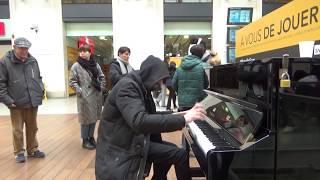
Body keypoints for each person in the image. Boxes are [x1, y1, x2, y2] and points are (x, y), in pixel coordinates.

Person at [95, 55, 206, 180]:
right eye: (160, 80)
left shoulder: (140, 86)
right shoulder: (127, 87)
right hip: (122, 147)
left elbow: (150, 116)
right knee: (178, 154)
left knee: (174, 151)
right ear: (152, 76)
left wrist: (184, 114)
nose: (161, 85)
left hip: (131, 139)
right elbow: (140, 121)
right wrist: (183, 120)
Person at [0, 37, 45, 163]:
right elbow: (1, 84)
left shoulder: (33, 60)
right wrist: (8, 100)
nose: (24, 51)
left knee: (33, 127)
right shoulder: (4, 62)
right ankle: (19, 152)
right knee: (18, 129)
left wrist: (40, 90)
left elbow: (38, 77)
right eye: (21, 48)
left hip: (32, 101)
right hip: (15, 103)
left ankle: (32, 149)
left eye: (26, 48)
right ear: (14, 47)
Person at [69, 44, 106, 150]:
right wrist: (80, 91)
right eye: (80, 51)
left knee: (93, 118)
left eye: (85, 51)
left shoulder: (95, 64)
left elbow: (101, 76)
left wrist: (101, 87)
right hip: (84, 96)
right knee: (85, 119)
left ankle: (91, 137)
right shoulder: (76, 66)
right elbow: (72, 82)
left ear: (90, 52)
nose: (82, 53)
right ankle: (85, 140)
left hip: (95, 95)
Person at [173, 44, 209, 112]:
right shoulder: (202, 67)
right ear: (201, 55)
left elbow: (174, 84)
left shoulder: (180, 67)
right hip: (197, 103)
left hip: (182, 103)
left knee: (184, 121)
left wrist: (181, 93)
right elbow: (206, 84)